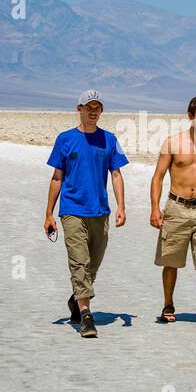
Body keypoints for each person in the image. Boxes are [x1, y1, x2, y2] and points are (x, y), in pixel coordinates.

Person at [44, 90, 128, 339]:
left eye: (97, 107)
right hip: (72, 210)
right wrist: (49, 214)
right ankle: (86, 315)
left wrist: (121, 207)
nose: (93, 111)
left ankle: (76, 299)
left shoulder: (109, 140)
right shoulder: (65, 139)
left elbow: (116, 174)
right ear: (78, 108)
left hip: (100, 211)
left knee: (92, 264)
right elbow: (57, 177)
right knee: (79, 262)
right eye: (88, 107)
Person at [150, 95, 196, 334]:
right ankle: (168, 305)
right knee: (170, 261)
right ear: (190, 116)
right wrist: (155, 207)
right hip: (177, 207)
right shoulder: (172, 143)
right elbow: (158, 176)